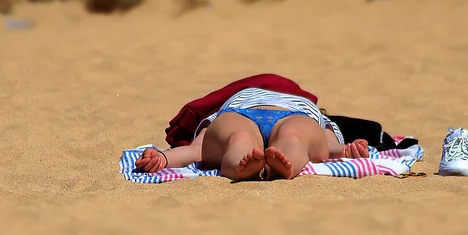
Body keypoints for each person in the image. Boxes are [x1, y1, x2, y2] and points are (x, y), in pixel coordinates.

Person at [136, 87, 370, 181]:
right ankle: (282, 166)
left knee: (238, 139)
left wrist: (165, 158)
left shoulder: (229, 100)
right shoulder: (312, 106)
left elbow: (196, 149)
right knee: (293, 137)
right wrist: (346, 150)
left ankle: (242, 164)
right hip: (296, 112)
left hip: (239, 111)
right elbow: (327, 145)